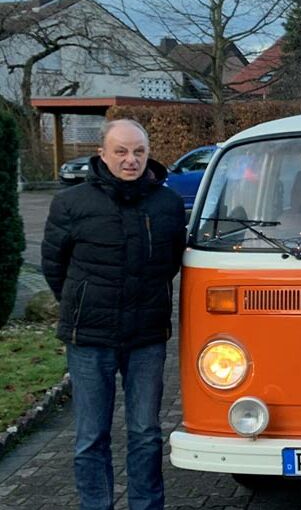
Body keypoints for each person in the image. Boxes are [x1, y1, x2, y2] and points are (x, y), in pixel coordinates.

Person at [42, 119, 185, 510]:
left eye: (138, 151)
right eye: (121, 151)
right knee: (91, 436)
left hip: (146, 337)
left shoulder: (168, 204)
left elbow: (170, 261)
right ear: (102, 154)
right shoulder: (71, 203)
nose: (130, 160)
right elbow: (55, 265)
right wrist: (83, 302)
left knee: (146, 432)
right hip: (89, 338)